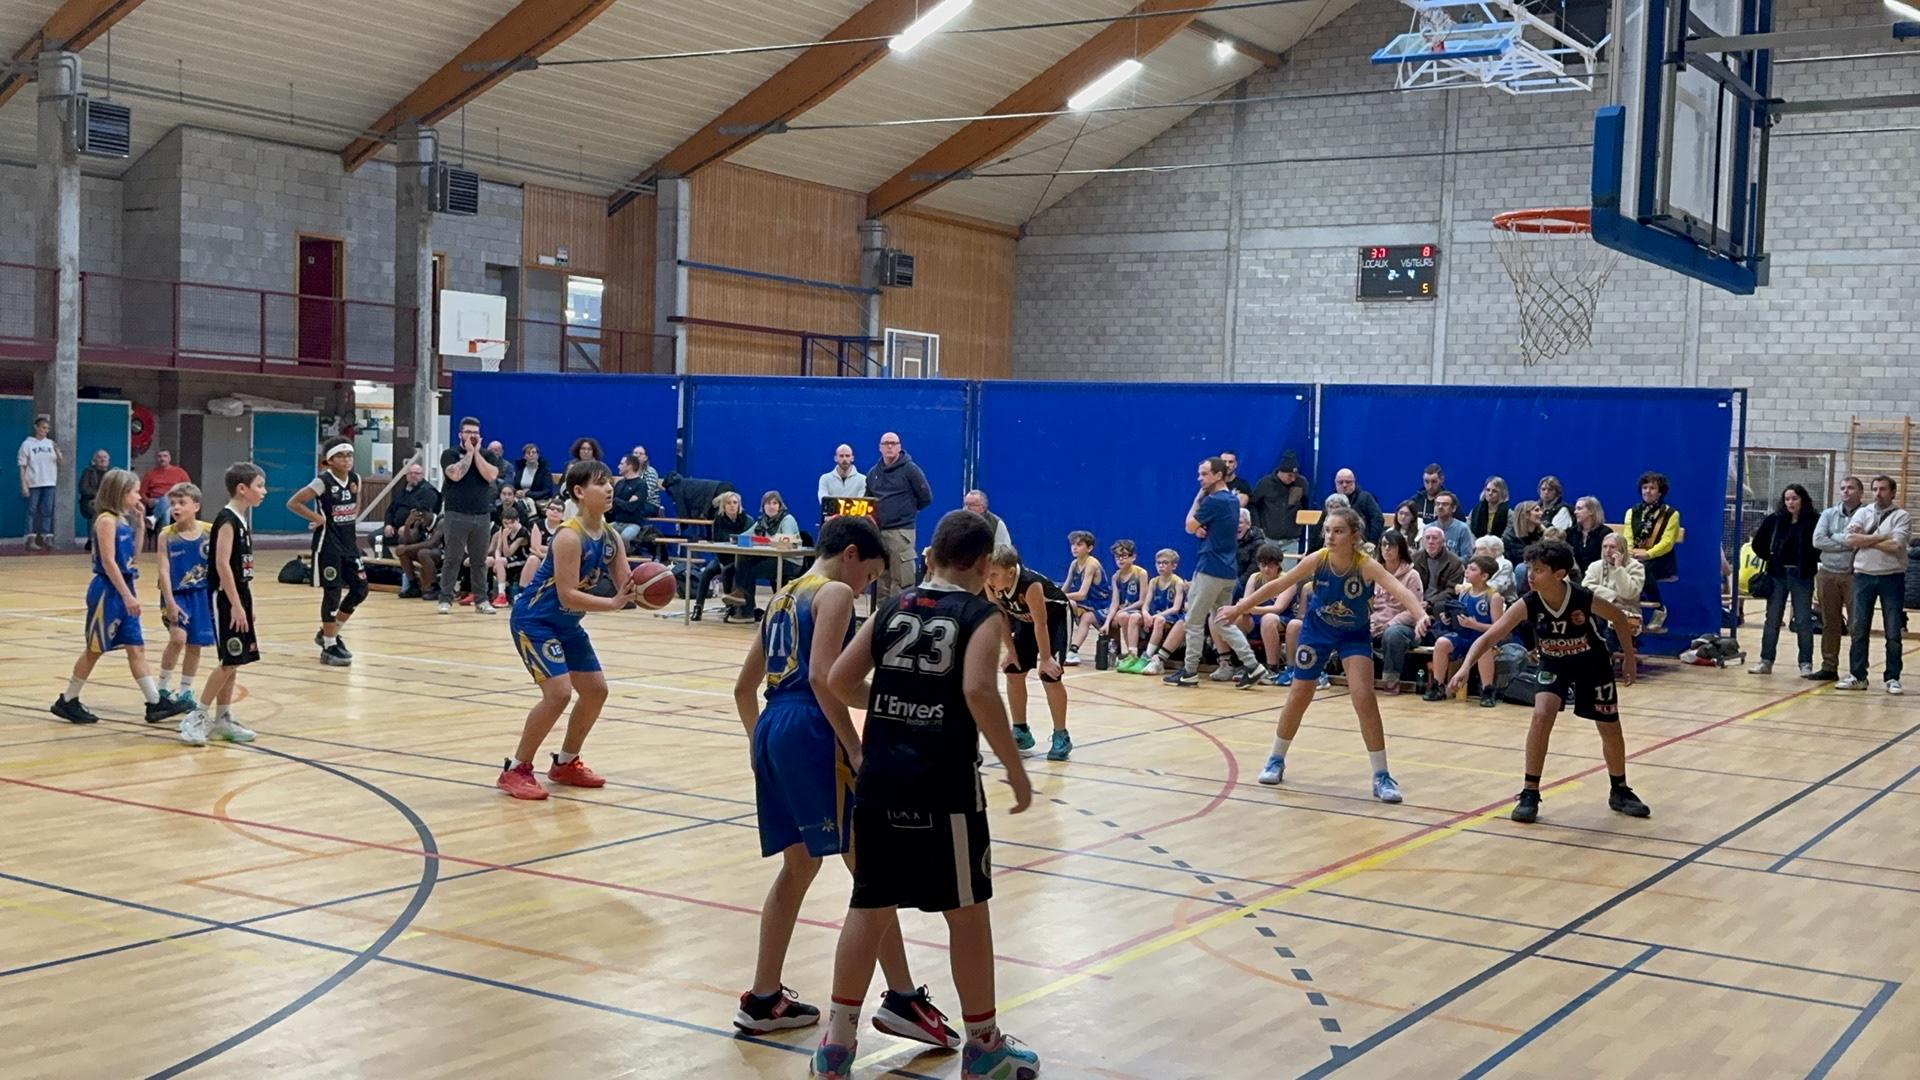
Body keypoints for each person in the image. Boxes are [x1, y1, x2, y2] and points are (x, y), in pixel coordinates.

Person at [813, 510, 1037, 1080]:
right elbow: (979, 690)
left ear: (929, 557)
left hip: (880, 778)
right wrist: (1015, 768)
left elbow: (838, 680)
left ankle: (836, 1046)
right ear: (984, 566)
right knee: (967, 914)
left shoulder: (891, 607)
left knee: (868, 907)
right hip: (943, 786)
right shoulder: (981, 615)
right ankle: (984, 1046)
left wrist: (897, 698)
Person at [729, 515, 958, 1047]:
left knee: (800, 866)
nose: (864, 589)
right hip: (813, 730)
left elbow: (744, 688)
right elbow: (824, 678)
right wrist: (854, 747)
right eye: (869, 576)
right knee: (874, 868)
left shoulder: (783, 595)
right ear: (851, 554)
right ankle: (902, 999)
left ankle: (763, 998)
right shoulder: (832, 592)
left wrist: (761, 744)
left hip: (773, 726)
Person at [1224, 507, 1430, 802]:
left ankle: (1381, 775)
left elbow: (1399, 589)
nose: (1330, 536)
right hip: (1317, 631)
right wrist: (1239, 608)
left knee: (1364, 697)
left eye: (1338, 531)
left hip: (1353, 634)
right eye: (1328, 530)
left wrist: (1420, 614)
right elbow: (1280, 584)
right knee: (1300, 693)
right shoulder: (1317, 559)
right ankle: (1276, 759)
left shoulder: (1366, 565)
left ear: (1354, 536)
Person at [1448, 540, 1648, 824]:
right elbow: (1489, 637)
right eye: (1530, 568)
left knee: (1609, 726)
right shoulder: (1528, 603)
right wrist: (1465, 668)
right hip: (1554, 662)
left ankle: (1620, 789)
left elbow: (1617, 616)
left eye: (1539, 570)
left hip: (1592, 663)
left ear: (1559, 574)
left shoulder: (1582, 597)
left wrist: (1628, 658)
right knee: (1541, 715)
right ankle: (1530, 792)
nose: (1530, 575)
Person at [496, 460, 634, 799]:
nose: (609, 488)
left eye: (609, 481)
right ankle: (516, 769)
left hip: (568, 625)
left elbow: (628, 586)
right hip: (535, 621)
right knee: (558, 693)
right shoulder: (570, 536)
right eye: (600, 483)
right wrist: (613, 603)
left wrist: (651, 588)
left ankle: (566, 762)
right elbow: (568, 594)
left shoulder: (612, 538)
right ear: (579, 492)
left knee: (596, 691)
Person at [47, 467, 191, 726]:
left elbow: (132, 557)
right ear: (119, 493)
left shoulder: (122, 521)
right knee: (95, 648)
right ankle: (67, 700)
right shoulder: (105, 520)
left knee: (136, 646)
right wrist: (127, 596)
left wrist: (139, 526)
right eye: (134, 492)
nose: (138, 496)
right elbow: (109, 562)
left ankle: (154, 703)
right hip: (108, 591)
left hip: (124, 587)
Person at [178, 463, 267, 746]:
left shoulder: (241, 519)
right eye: (259, 486)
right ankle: (197, 716)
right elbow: (222, 564)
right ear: (242, 489)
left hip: (240, 594)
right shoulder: (227, 520)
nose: (264, 491)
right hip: (226, 598)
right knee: (228, 661)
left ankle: (223, 718)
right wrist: (236, 605)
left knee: (235, 660)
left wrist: (247, 603)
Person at [1162, 458, 1269, 687]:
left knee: (1193, 621)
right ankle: (1253, 666)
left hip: (1210, 567)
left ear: (1218, 475)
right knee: (1222, 623)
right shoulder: (1232, 501)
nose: (1199, 479)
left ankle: (1189, 671)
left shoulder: (1213, 500)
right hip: (1228, 570)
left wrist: (1197, 499)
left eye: (1204, 474)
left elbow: (1189, 525)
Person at [987, 544, 1074, 760]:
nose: (990, 579)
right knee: (1013, 669)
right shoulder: (989, 583)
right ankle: (1021, 731)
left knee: (1050, 675)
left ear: (1011, 572)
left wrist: (1045, 658)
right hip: (1026, 621)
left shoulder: (1030, 583)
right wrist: (1011, 651)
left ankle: (1061, 735)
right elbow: (1000, 617)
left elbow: (1041, 623)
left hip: (1054, 621)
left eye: (994, 574)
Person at [287, 441, 368, 667]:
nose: (347, 459)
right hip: (328, 545)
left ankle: (328, 633)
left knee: (360, 589)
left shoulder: (356, 479)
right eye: (341, 456)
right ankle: (329, 645)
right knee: (332, 593)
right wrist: (318, 518)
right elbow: (293, 503)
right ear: (330, 460)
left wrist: (350, 516)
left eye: (349, 455)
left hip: (349, 544)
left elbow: (356, 502)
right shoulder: (322, 482)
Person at [1840, 475, 1910, 694]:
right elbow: (1850, 540)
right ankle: (1858, 676)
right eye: (1875, 489)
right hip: (1863, 576)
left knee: (1893, 631)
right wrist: (1882, 537)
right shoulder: (1863, 513)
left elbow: (1895, 545)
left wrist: (1867, 539)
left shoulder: (1901, 516)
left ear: (1893, 492)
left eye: (1883, 489)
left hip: (1892, 577)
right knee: (1859, 628)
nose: (1878, 493)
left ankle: (1892, 678)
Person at [1746, 484, 1818, 677]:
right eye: (1787, 499)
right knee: (1772, 619)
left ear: (1802, 500)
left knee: (1803, 620)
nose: (1790, 502)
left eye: (1794, 498)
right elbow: (1758, 543)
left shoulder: (1813, 520)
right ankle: (1766, 660)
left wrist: (1811, 560)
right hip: (1777, 575)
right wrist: (1770, 557)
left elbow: (1819, 545)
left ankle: (1805, 663)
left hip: (1802, 576)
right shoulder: (1775, 519)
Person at [155, 483, 214, 712]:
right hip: (176, 594)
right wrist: (169, 601)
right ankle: (162, 688)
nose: (176, 508)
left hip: (202, 594)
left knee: (195, 644)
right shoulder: (166, 535)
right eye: (173, 504)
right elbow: (163, 571)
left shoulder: (210, 532)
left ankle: (186, 690)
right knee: (178, 638)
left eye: (182, 503)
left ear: (196, 506)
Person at [439, 417, 503, 615]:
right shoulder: (450, 454)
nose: (472, 436)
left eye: (475, 432)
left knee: (479, 560)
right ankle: (445, 599)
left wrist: (476, 453)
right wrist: (468, 453)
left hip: (481, 514)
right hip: (456, 513)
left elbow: (490, 476)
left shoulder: (487, 455)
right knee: (452, 558)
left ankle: (481, 600)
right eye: (468, 432)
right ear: (460, 434)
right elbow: (455, 475)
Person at [1424, 555, 1505, 707]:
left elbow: (1499, 628)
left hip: (1483, 637)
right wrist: (1448, 620)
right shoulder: (1464, 593)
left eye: (1472, 569)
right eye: (1467, 568)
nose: (1466, 571)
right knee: (1441, 643)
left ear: (1484, 576)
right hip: (1463, 636)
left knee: (1484, 649)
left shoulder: (1493, 597)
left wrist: (1476, 625)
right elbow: (1460, 618)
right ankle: (1438, 685)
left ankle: (1487, 690)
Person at [1211, 542, 1293, 687]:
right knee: (1226, 616)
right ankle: (1241, 664)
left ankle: (1272, 667)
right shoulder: (1255, 578)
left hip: (1281, 619)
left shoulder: (1287, 580)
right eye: (1263, 565)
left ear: (1279, 564)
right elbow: (1245, 602)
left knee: (1268, 618)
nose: (1266, 569)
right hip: (1256, 618)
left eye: (1270, 565)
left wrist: (1251, 608)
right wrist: (1243, 608)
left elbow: (1278, 608)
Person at [1807, 476, 1865, 681]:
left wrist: (1835, 538)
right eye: (1843, 488)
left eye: (1851, 488)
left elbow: (1865, 542)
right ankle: (1829, 667)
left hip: (1855, 575)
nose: (1846, 491)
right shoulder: (1828, 514)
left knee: (1857, 624)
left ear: (1860, 492)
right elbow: (1817, 540)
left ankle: (1857, 670)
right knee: (1830, 623)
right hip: (1828, 573)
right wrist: (1848, 542)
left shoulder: (1868, 514)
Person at [867, 431, 933, 606]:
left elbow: (926, 497)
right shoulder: (873, 473)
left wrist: (906, 512)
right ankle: (881, 615)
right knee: (881, 579)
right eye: (886, 443)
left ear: (900, 447)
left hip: (901, 532)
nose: (890, 446)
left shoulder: (910, 469)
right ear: (880, 447)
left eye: (893, 443)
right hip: (879, 533)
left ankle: (901, 614)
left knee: (902, 579)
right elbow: (868, 502)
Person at [728, 490, 804, 614]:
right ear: (763, 507)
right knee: (744, 561)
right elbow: (747, 535)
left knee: (750, 571)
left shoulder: (787, 519)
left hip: (789, 561)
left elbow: (787, 540)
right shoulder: (762, 522)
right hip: (773, 558)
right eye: (768, 504)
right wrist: (736, 538)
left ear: (780, 506)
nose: (771, 506)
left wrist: (764, 541)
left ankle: (745, 605)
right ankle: (742, 599)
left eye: (775, 503)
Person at [1626, 472, 1681, 633]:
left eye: (1652, 488)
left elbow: (1667, 542)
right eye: (1645, 487)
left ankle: (1659, 609)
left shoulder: (1671, 514)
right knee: (1625, 566)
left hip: (1661, 560)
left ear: (1660, 492)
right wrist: (1629, 552)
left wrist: (1648, 554)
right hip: (1635, 557)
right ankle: (1628, 610)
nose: (1647, 491)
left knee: (1641, 569)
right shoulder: (1632, 512)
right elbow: (1628, 537)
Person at [1371, 530, 1423, 694]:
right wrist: (1371, 622)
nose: (1386, 549)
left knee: (1393, 634)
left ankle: (1391, 680)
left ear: (1400, 549)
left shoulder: (1412, 575)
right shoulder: (1375, 573)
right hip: (1378, 623)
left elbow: (1414, 610)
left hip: (1405, 627)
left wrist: (1389, 624)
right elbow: (1369, 605)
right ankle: (1359, 676)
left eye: (1391, 545)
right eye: (1383, 545)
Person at [693, 491, 755, 619]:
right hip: (721, 557)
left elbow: (749, 544)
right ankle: (698, 607)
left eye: (735, 503)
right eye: (728, 503)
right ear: (723, 506)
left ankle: (730, 607)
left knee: (728, 571)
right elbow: (717, 543)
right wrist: (720, 562)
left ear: (739, 505)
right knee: (707, 572)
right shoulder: (718, 521)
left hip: (740, 559)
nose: (732, 505)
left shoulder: (748, 521)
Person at [1135, 548, 1187, 676]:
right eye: (1158, 563)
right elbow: (1146, 604)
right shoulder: (1153, 581)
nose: (1161, 566)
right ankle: (1132, 653)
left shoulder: (1178, 582)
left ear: (1174, 566)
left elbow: (1176, 608)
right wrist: (1145, 613)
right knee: (1133, 618)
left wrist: (1155, 616)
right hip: (1156, 614)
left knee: (1159, 620)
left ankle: (1148, 655)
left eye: (1165, 563)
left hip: (1172, 616)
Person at [1061, 531, 1108, 665]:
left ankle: (1073, 652)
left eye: (1079, 544)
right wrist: (1053, 597)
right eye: (1073, 544)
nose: (1074, 548)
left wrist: (1061, 596)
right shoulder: (1074, 564)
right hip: (1088, 603)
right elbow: (1065, 587)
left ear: (1089, 548)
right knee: (1062, 606)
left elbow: (1082, 594)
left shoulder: (1091, 564)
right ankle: (1059, 646)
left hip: (1102, 604)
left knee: (1085, 616)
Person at [381, 461, 440, 566]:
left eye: (416, 473)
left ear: (422, 475)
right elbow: (390, 510)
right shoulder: (402, 491)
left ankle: (406, 566)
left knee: (403, 539)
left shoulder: (429, 491)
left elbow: (424, 513)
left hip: (416, 528)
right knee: (374, 537)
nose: (413, 475)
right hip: (395, 527)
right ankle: (389, 563)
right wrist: (388, 524)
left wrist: (408, 526)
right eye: (410, 473)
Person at [1103, 539, 1150, 670]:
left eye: (1124, 555)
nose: (1120, 559)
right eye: (1117, 556)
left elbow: (1143, 600)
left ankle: (1133, 654)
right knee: (1122, 617)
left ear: (1133, 557)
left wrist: (1124, 610)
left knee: (1128, 616)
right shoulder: (1116, 577)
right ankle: (1131, 654)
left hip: (1140, 610)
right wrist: (1107, 622)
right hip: (1125, 612)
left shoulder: (1141, 573)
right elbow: (1114, 602)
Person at [1249, 450, 1309, 547]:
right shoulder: (1265, 484)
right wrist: (1258, 528)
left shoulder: (1301, 483)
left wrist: (1298, 529)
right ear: (1281, 471)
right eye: (1290, 476)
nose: (1293, 479)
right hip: (1268, 539)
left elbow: (1305, 506)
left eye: (1295, 475)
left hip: (1291, 540)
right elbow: (1253, 506)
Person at [18, 413, 60, 552]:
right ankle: (30, 539)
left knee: (48, 510)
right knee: (32, 510)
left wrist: (57, 451)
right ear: (36, 427)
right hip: (34, 482)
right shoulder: (27, 444)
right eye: (43, 427)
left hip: (49, 481)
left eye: (47, 428)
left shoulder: (50, 443)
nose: (45, 430)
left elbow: (61, 462)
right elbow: (22, 465)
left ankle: (47, 538)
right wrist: (24, 484)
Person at [1413, 525, 1464, 617]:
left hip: (1439, 603)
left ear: (1443, 542)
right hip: (1417, 600)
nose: (1430, 542)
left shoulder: (1455, 562)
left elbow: (1452, 589)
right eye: (1427, 538)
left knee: (1440, 606)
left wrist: (1430, 602)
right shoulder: (1414, 559)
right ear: (1423, 541)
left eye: (1435, 538)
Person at [486, 506, 532, 607]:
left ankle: (502, 596)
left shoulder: (523, 532)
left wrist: (504, 537)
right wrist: (497, 560)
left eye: (512, 522)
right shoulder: (503, 529)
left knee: (500, 561)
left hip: (522, 559)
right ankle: (481, 593)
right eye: (506, 523)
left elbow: (508, 553)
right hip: (507, 559)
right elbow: (498, 549)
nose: (509, 526)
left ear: (517, 520)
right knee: (485, 561)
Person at [139, 449, 191, 535]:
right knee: (166, 511)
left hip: (175, 500)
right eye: (159, 456)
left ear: (170, 458)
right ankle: (165, 537)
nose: (162, 459)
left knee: (167, 500)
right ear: (156, 459)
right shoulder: (150, 474)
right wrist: (148, 501)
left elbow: (188, 488)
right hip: (155, 501)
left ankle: (154, 518)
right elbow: (142, 493)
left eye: (165, 456)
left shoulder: (180, 472)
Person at [394, 509, 443, 601]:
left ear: (430, 511)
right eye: (419, 517)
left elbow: (431, 543)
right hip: (429, 554)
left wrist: (406, 548)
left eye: (424, 516)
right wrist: (407, 525)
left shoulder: (441, 522)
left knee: (422, 552)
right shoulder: (419, 523)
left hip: (446, 554)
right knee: (403, 551)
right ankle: (413, 585)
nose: (422, 520)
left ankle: (436, 587)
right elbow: (409, 541)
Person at [610, 454, 654, 548]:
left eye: (621, 464)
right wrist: (623, 503)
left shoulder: (641, 485)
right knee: (601, 533)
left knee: (624, 537)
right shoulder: (620, 483)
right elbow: (612, 503)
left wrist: (617, 501)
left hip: (633, 523)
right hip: (617, 521)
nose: (618, 466)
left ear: (629, 466)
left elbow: (631, 507)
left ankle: (625, 555)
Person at [1504, 500, 1545, 594]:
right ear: (1526, 514)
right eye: (1537, 510)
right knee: (1521, 568)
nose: (1541, 513)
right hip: (1520, 572)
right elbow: (1508, 562)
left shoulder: (1544, 532)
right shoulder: (1509, 537)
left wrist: (1547, 532)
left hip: (1541, 566)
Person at [1332, 469, 1384, 542]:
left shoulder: (1366, 498)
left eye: (1348, 482)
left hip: (1361, 542)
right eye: (1340, 482)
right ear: (1335, 482)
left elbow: (1377, 519)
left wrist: (1372, 542)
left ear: (1354, 481)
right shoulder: (1331, 501)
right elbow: (1321, 524)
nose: (1344, 485)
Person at [1569, 496, 1610, 573]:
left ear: (1591, 511)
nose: (1575, 512)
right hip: (1575, 575)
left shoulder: (1605, 533)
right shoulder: (1570, 532)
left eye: (1579, 509)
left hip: (1598, 574)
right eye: (1575, 509)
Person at [1431, 491, 1473, 560]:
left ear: (1453, 508)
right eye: (1437, 504)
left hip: (1455, 566)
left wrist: (1447, 564)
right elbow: (1423, 556)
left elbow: (1467, 557)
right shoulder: (1428, 528)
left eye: (1445, 504)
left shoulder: (1462, 528)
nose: (1440, 507)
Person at [1473, 535, 1516, 600]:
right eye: (1476, 549)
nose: (1476, 553)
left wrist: (1470, 589)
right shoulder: (1476, 562)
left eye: (1480, 549)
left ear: (1493, 550)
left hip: (1504, 601)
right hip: (1477, 597)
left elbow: (1495, 588)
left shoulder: (1505, 565)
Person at [79, 449, 111, 526]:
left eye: (105, 457)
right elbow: (83, 489)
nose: (103, 460)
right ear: (95, 460)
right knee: (96, 508)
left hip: (109, 501)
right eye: (99, 457)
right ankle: (95, 532)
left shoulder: (112, 473)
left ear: (108, 459)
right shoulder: (88, 472)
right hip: (92, 501)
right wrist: (100, 496)